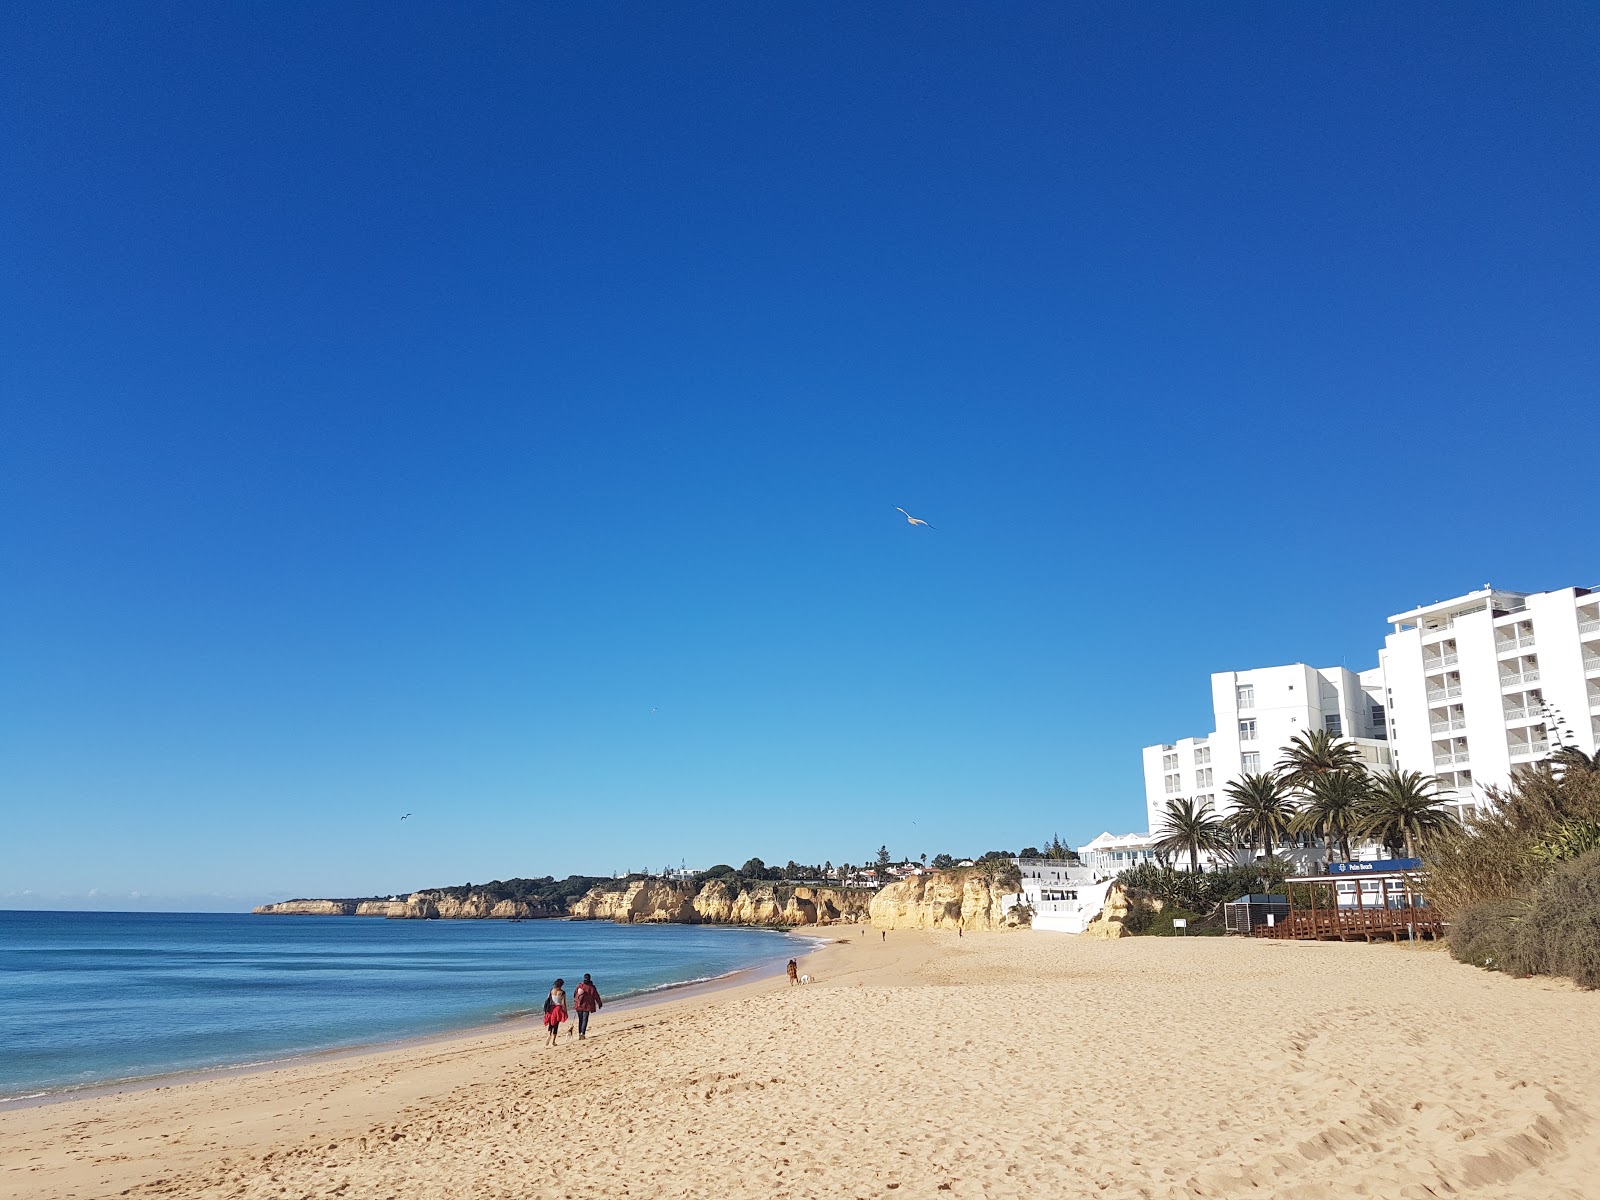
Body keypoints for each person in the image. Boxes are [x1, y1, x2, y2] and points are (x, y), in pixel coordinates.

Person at [573, 973, 603, 1039]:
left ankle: (579, 1034)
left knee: (580, 1020)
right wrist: (599, 1003)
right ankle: (582, 1034)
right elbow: (596, 996)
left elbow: (575, 994)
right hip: (587, 1005)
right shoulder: (592, 987)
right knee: (585, 1020)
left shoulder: (580, 985)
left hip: (579, 1005)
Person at [543, 978, 568, 1047]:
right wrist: (565, 1011)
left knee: (550, 1024)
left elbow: (548, 999)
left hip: (551, 1008)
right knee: (556, 1025)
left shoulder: (551, 990)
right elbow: (563, 1003)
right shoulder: (562, 992)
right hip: (558, 1009)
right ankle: (553, 1041)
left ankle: (549, 1035)